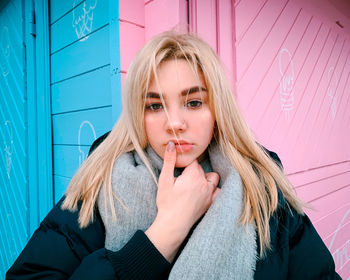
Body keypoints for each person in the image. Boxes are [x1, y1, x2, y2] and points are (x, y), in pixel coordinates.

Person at [6, 31, 341, 280]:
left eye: (193, 102)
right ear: (139, 113)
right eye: (155, 105)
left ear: (216, 109)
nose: (175, 123)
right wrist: (164, 233)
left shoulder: (263, 192)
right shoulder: (100, 186)